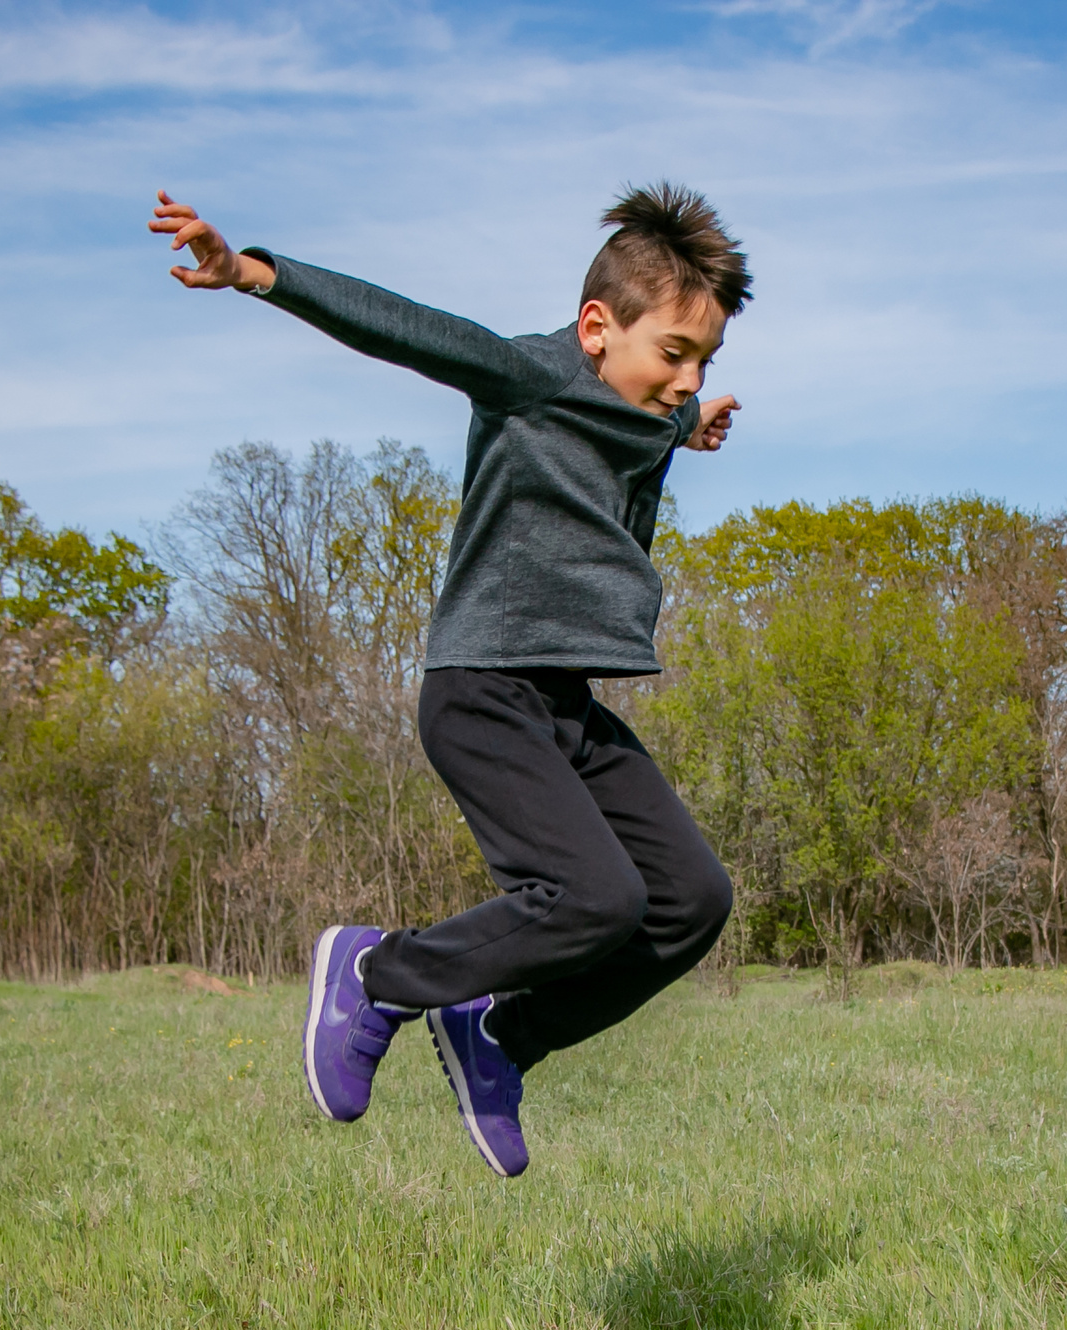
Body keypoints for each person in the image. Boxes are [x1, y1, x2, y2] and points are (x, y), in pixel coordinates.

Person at [150, 182, 750, 1179]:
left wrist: (685, 425)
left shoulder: (640, 406)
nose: (686, 379)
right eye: (674, 354)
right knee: (596, 897)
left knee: (691, 898)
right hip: (480, 692)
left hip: (561, 703)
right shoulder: (525, 377)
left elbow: (637, 423)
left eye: (705, 362)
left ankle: (500, 1036)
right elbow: (411, 328)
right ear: (595, 328)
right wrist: (256, 273)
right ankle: (374, 972)